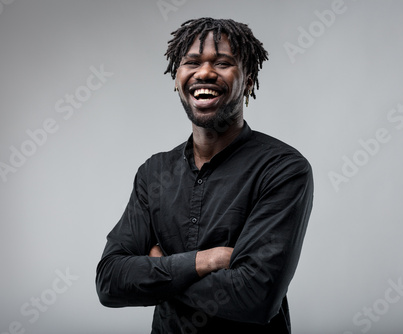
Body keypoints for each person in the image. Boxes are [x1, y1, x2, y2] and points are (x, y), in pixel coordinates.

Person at [96, 17, 314, 333]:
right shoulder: (153, 173)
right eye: (192, 62)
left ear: (249, 79)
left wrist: (159, 269)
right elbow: (110, 281)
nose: (205, 73)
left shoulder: (282, 170)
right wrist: (205, 261)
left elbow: (257, 297)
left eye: (223, 63)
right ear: (176, 77)